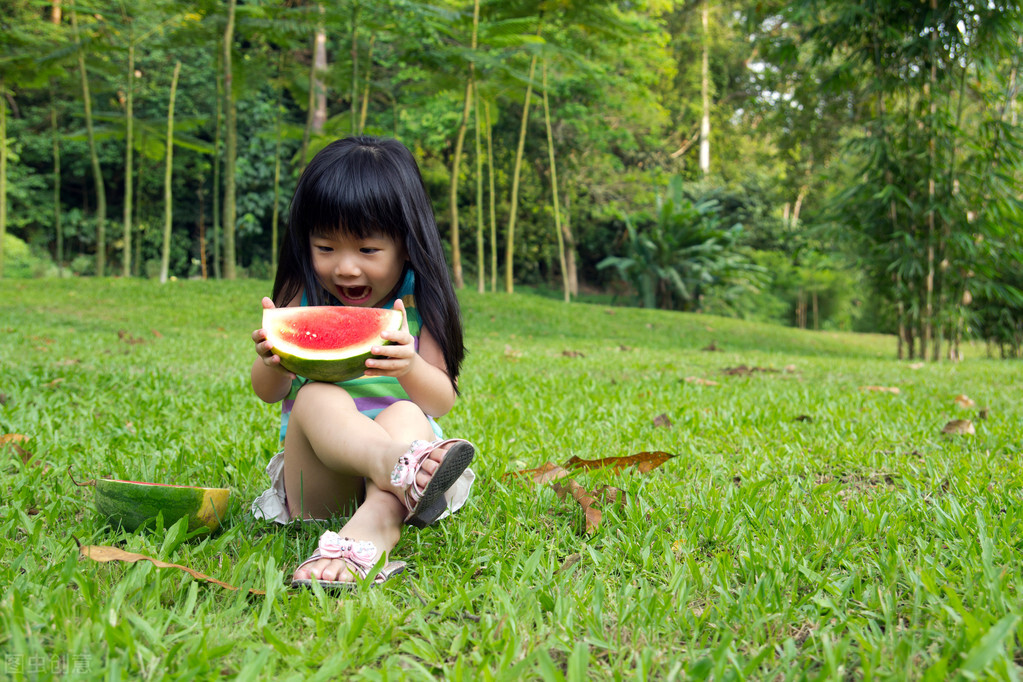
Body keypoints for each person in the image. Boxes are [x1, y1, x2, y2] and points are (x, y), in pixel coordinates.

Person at [249, 136, 476, 589]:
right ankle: (396, 463)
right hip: (320, 483)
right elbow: (267, 392)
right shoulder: (302, 292)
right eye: (326, 248)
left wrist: (409, 365)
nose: (346, 268)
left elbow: (442, 400)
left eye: (368, 250)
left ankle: (377, 522)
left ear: (407, 245)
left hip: (400, 487)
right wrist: (274, 361)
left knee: (409, 411)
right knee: (316, 397)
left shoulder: (419, 301)